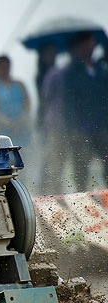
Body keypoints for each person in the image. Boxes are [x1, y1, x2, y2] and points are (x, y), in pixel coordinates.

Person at [61, 31, 108, 191]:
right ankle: (82, 197)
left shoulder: (101, 69)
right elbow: (68, 103)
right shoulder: (71, 73)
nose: (90, 46)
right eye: (87, 43)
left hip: (102, 125)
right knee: (81, 166)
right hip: (81, 127)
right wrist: (72, 128)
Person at [0, 55, 31, 147]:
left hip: (21, 128)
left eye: (7, 67)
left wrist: (20, 121)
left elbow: (27, 104)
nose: (5, 70)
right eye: (2, 67)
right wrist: (8, 124)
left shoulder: (19, 85)